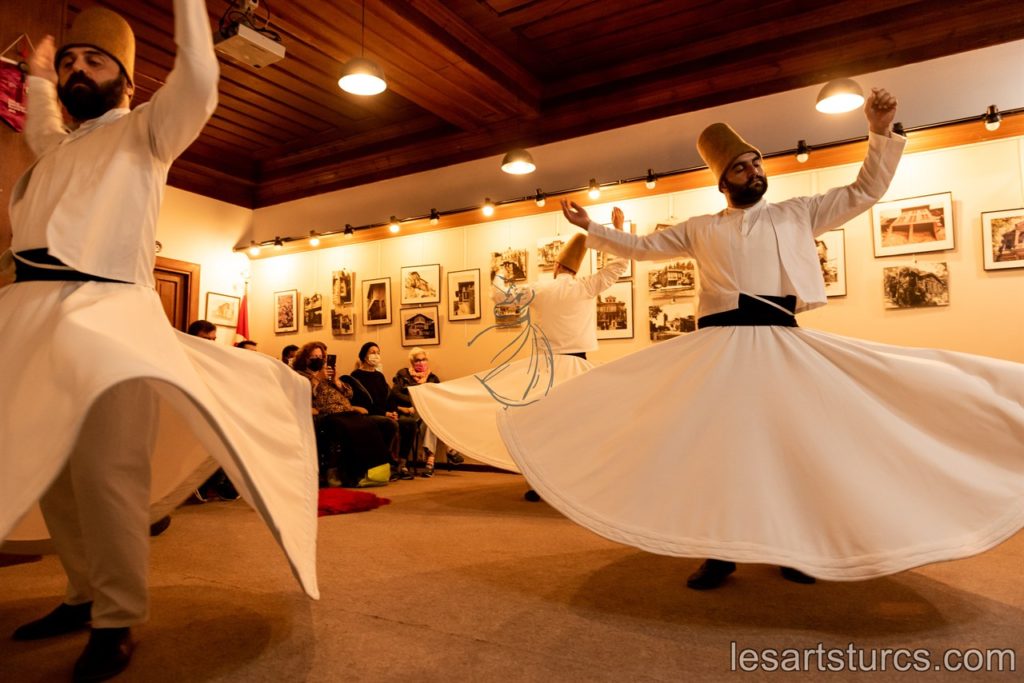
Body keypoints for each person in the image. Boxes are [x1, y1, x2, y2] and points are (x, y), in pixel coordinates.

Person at [497, 87, 1024, 590]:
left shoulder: (799, 213)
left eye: (758, 163)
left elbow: (865, 190)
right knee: (720, 451)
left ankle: (791, 548)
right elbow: (643, 247)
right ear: (722, 181)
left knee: (789, 448)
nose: (755, 172)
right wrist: (593, 227)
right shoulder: (702, 227)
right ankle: (719, 550)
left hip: (779, 345)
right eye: (742, 167)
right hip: (718, 352)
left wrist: (880, 133)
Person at [0, 3, 318, 680]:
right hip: (35, 318)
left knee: (107, 473)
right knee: (55, 473)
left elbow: (200, 77)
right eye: (69, 64)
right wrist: (34, 74)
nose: (77, 70)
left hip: (110, 316)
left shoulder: (148, 131)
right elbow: (42, 125)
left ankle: (117, 619)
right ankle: (82, 595)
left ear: (128, 82)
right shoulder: (57, 147)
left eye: (95, 61)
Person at [410, 227, 626, 478]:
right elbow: (618, 267)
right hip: (577, 366)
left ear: (556, 266)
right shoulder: (586, 287)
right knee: (578, 425)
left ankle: (542, 479)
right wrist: (618, 231)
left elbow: (499, 295)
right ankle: (574, 478)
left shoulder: (542, 289)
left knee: (545, 427)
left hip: (547, 369)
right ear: (575, 269)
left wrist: (501, 270)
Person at [292, 342, 393, 488]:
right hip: (327, 413)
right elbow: (304, 395)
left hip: (346, 409)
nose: (318, 359)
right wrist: (316, 380)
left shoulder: (327, 374)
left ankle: (371, 472)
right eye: (313, 356)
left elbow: (349, 393)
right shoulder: (300, 375)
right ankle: (349, 473)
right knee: (347, 428)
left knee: (368, 425)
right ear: (304, 358)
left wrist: (336, 381)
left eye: (320, 356)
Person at [344, 342, 413, 480]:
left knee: (410, 423)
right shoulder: (356, 376)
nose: (376, 355)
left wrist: (393, 411)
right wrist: (385, 413)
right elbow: (362, 402)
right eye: (372, 352)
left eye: (378, 352)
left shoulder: (379, 376)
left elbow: (389, 397)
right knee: (389, 424)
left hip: (385, 412)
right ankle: (386, 461)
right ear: (364, 356)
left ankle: (402, 464)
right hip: (369, 414)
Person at [389, 347, 460, 477]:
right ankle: (448, 448)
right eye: (418, 360)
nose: (421, 363)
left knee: (430, 421)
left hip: (425, 414)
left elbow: (437, 397)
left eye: (424, 360)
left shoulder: (432, 378)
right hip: (409, 413)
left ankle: (430, 462)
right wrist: (415, 401)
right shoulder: (403, 374)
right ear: (412, 362)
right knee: (432, 418)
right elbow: (395, 393)